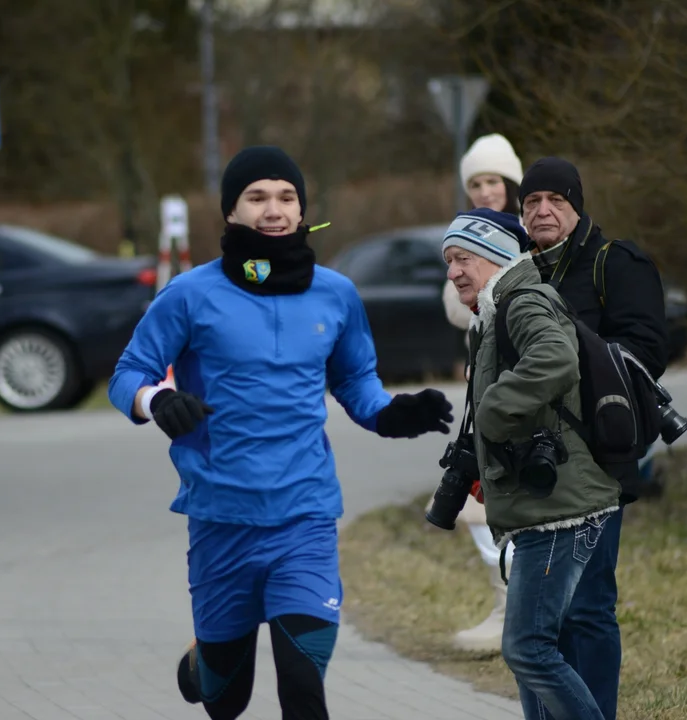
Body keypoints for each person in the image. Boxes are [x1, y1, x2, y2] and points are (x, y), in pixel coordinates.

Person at [108, 145, 456, 720]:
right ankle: (204, 663)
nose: (274, 209)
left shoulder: (336, 294)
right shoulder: (191, 294)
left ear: (301, 211)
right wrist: (157, 398)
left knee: (301, 684)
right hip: (222, 519)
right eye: (258, 197)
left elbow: (357, 383)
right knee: (226, 700)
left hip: (304, 518)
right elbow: (127, 375)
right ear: (230, 212)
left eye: (287, 197)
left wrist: (392, 414)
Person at [440, 207, 622, 720]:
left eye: (462, 258)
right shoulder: (497, 310)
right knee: (533, 652)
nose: (452, 272)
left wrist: (494, 411)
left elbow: (556, 357)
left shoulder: (522, 300)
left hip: (561, 507)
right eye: (448, 261)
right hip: (546, 505)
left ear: (497, 256)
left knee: (528, 648)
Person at [518, 157, 669, 720]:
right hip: (532, 465)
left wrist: (570, 363)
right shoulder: (520, 270)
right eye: (531, 202)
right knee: (536, 619)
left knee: (586, 608)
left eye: (555, 199)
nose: (543, 210)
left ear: (577, 205)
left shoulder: (616, 263)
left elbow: (648, 353)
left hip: (599, 462)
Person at [442, 133, 525, 655]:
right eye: (475, 182)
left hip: (522, 384)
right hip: (482, 383)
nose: (485, 190)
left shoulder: (535, 227)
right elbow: (455, 306)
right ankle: (507, 609)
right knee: (475, 506)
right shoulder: (462, 236)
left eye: (493, 180)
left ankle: (524, 614)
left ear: (511, 182)